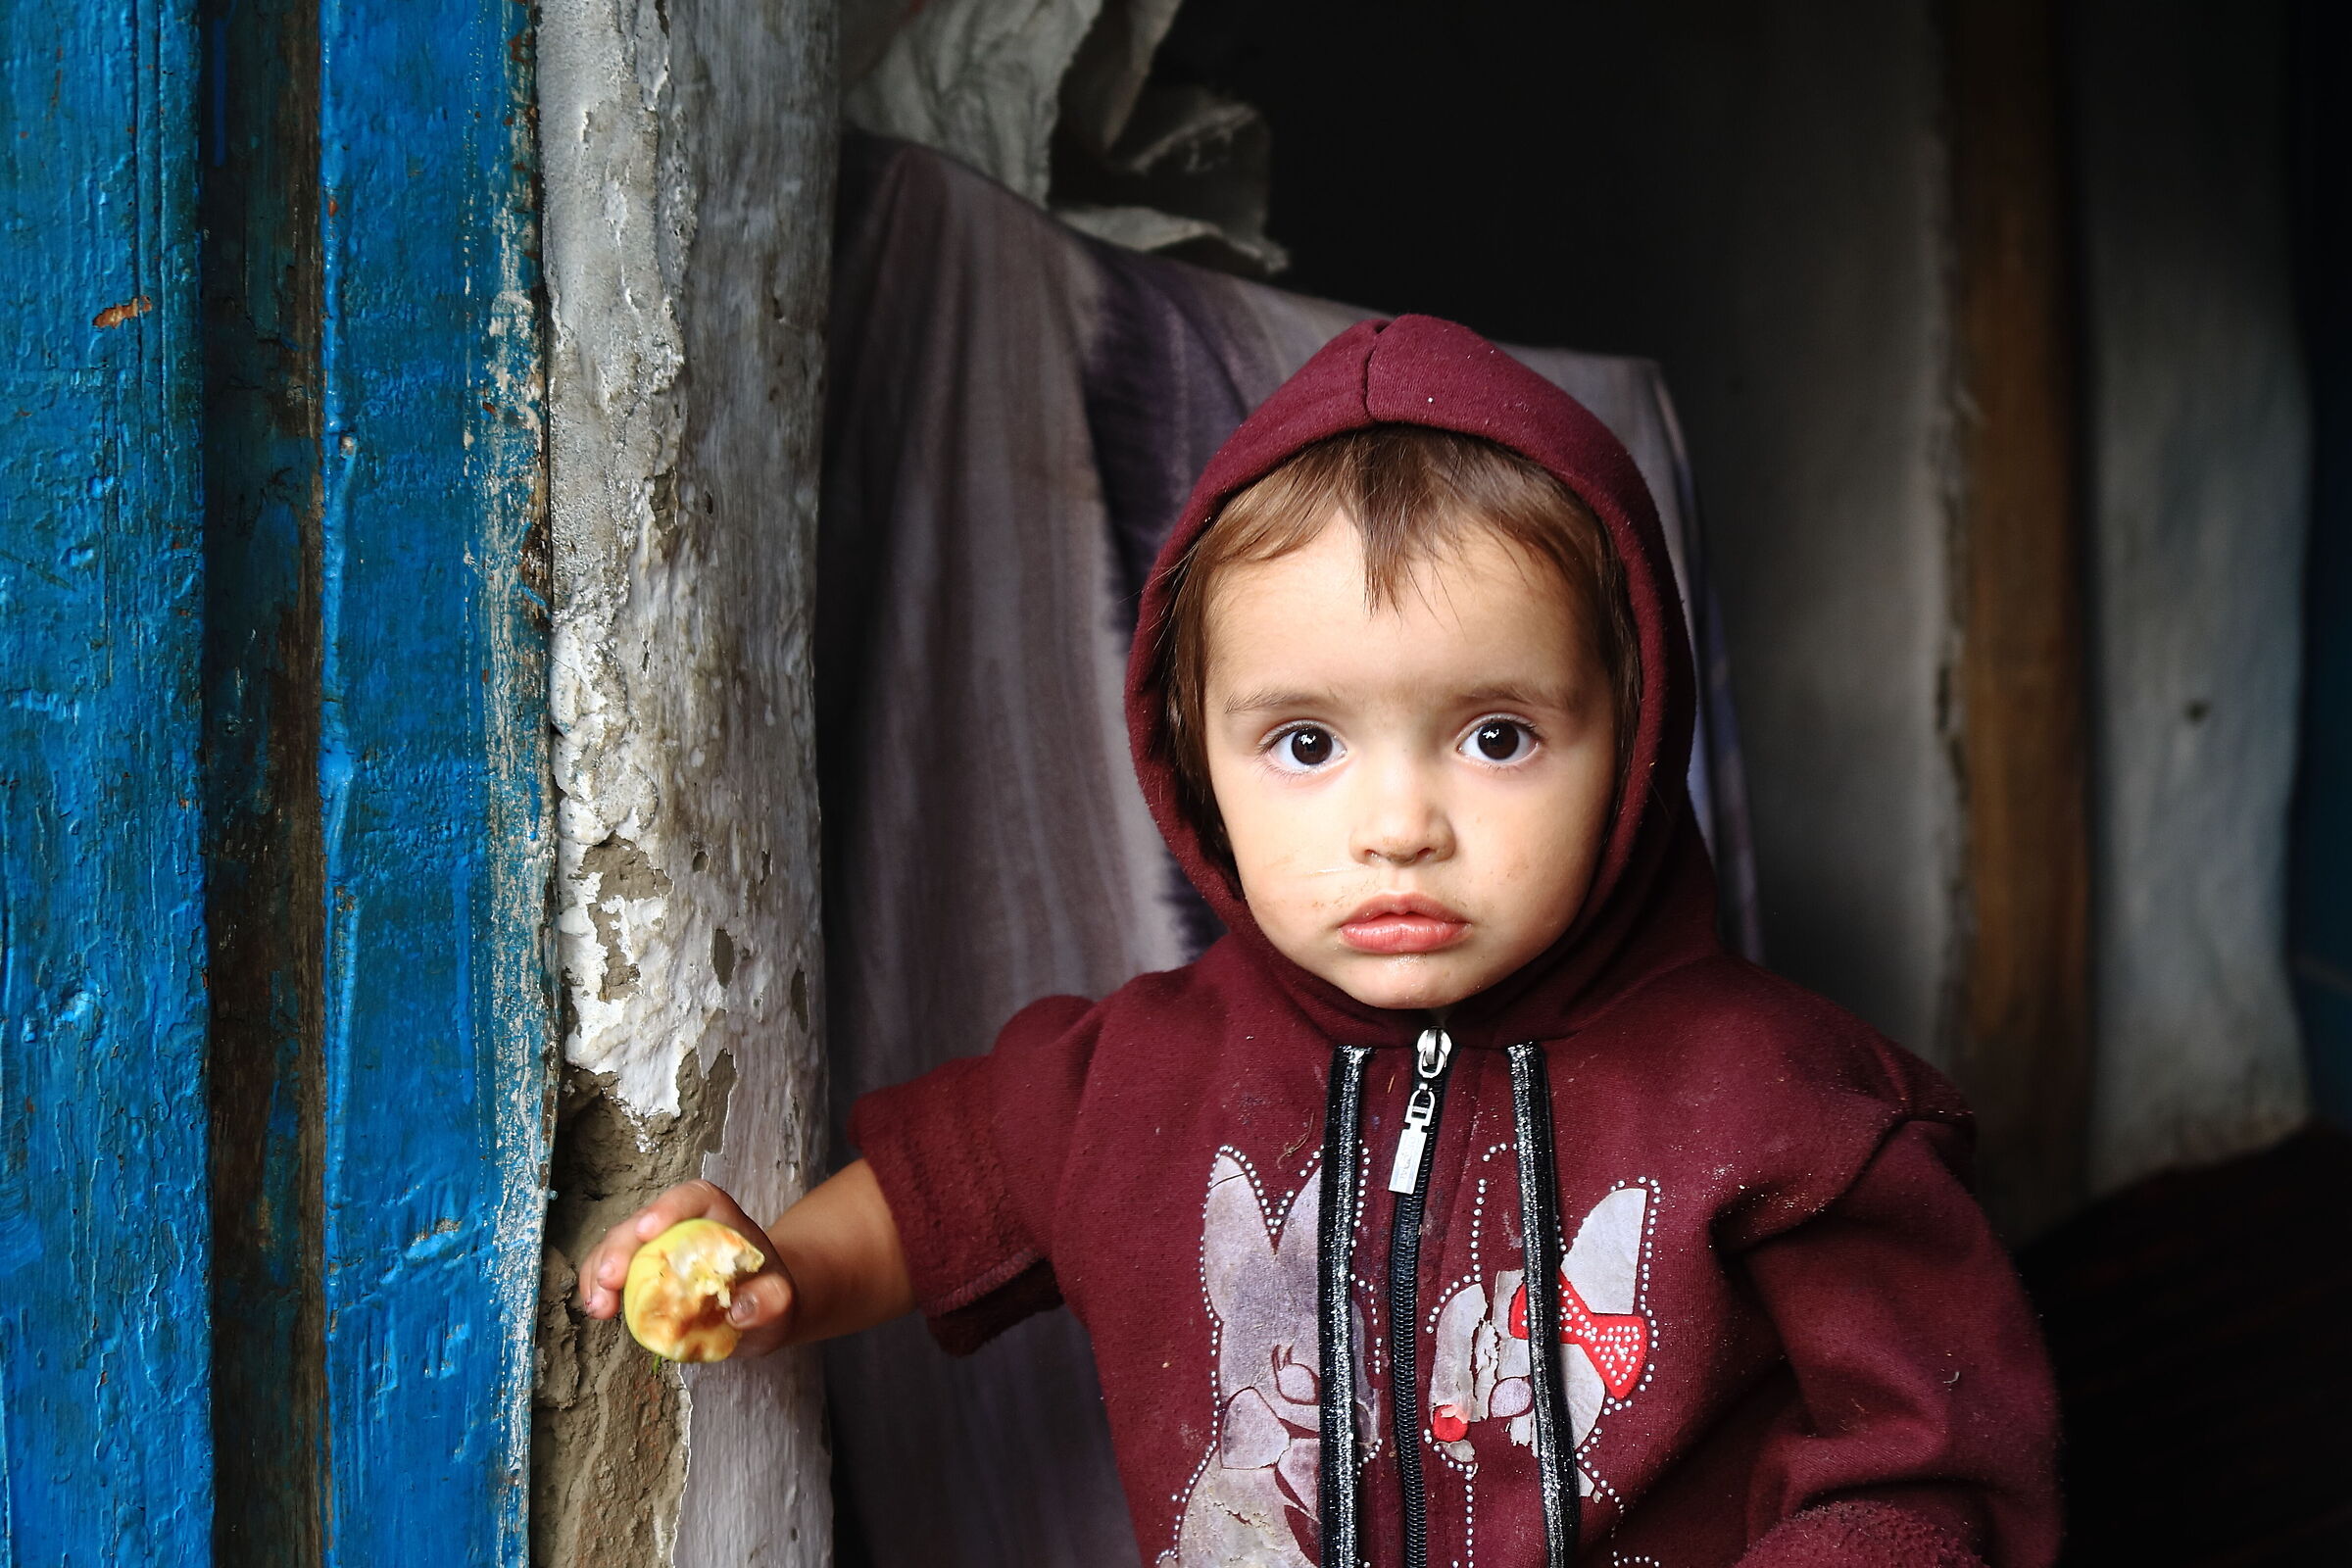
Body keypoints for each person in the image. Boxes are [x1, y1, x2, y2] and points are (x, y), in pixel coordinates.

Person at [578, 316, 2061, 1567]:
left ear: (1634, 739)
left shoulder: (1787, 1111)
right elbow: (948, 1185)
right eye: (1305, 742)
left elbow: (1936, 1466)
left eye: (1497, 735)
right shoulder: (1143, 1079)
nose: (1397, 824)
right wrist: (778, 1271)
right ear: (1192, 758)